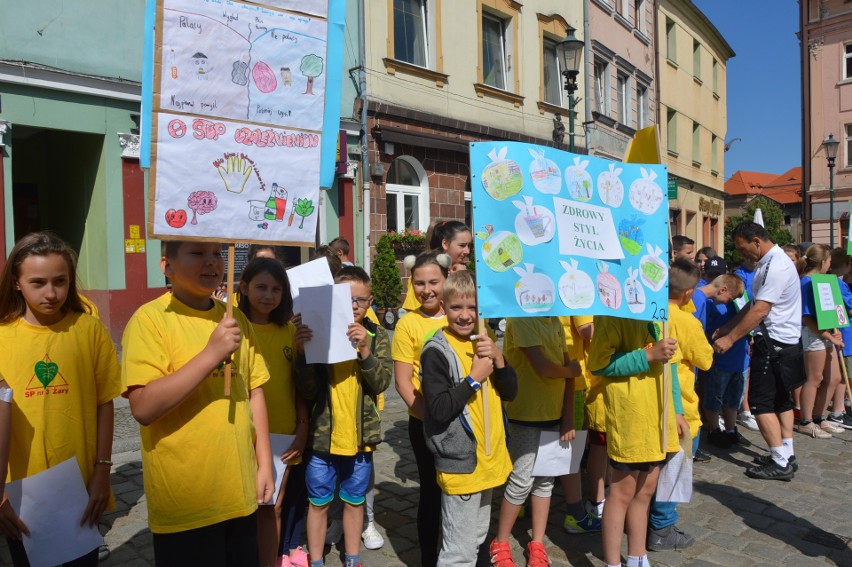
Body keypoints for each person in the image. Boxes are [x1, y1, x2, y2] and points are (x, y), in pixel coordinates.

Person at [122, 241, 274, 565]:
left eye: (217, 254)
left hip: (239, 492)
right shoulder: (150, 320)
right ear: (167, 266)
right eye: (197, 253)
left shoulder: (236, 320)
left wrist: (264, 464)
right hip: (185, 502)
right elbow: (143, 407)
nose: (211, 263)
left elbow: (255, 392)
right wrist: (211, 355)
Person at [0, 232, 121, 567]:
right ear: (16, 283)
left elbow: (105, 402)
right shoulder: (2, 336)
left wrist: (102, 471)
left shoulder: (89, 330)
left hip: (79, 487)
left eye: (60, 281)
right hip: (21, 492)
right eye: (38, 282)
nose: (51, 293)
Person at [294, 266, 392, 567]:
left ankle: (352, 558)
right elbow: (307, 390)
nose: (352, 306)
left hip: (359, 441)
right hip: (322, 441)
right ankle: (316, 560)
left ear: (370, 301)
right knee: (318, 503)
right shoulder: (317, 334)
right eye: (345, 299)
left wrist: (364, 350)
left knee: (354, 501)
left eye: (360, 300)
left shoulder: (376, 336)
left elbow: (381, 383)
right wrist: (303, 355)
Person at [421, 270, 517, 566]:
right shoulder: (436, 351)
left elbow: (511, 392)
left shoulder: (484, 340)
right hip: (462, 464)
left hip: (489, 461)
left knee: (475, 538)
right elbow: (438, 409)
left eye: (472, 307)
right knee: (458, 552)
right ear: (443, 306)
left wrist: (499, 361)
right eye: (456, 308)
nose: (464, 316)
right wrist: (473, 379)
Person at [588, 308, 680, 567]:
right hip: (632, 419)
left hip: (659, 418)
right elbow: (599, 363)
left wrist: (678, 411)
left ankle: (638, 558)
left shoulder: (658, 312)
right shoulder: (610, 314)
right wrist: (648, 354)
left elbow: (670, 367)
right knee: (622, 492)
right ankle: (612, 562)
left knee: (646, 490)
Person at [713, 222, 803, 481]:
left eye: (743, 249)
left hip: (774, 343)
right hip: (782, 342)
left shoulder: (775, 266)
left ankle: (779, 461)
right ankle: (786, 453)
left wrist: (730, 339)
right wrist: (727, 327)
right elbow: (752, 305)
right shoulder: (768, 263)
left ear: (756, 240)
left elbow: (760, 310)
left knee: (762, 404)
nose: (742, 255)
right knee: (780, 401)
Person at [238, 258, 310, 567]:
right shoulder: (234, 329)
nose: (268, 296)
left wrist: (303, 428)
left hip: (283, 433)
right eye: (261, 287)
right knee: (243, 508)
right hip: (242, 434)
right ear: (243, 287)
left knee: (273, 506)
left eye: (276, 289)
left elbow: (299, 386)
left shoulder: (288, 333)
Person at [490, 316, 579, 567]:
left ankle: (537, 542)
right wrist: (570, 371)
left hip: (553, 413)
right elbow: (543, 366)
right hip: (525, 415)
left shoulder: (555, 323)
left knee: (545, 482)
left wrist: (568, 417)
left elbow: (568, 369)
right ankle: (500, 541)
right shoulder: (521, 320)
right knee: (521, 480)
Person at [647, 259, 713, 552]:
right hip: (681, 406)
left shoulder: (649, 313)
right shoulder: (688, 322)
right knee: (676, 466)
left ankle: (649, 517)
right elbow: (706, 360)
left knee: (653, 464)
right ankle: (662, 526)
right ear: (689, 294)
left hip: (651, 401)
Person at [392, 252, 451, 567]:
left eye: (433, 282)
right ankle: (429, 557)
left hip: (463, 422)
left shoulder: (460, 314)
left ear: (446, 281)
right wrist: (430, 417)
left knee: (460, 494)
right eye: (419, 283)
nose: (426, 290)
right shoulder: (407, 324)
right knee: (431, 493)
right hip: (426, 423)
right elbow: (403, 382)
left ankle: (459, 553)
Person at [794, 244, 844, 438]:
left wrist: (836, 329)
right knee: (815, 378)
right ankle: (806, 421)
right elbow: (807, 317)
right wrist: (829, 336)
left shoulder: (824, 281)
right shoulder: (806, 282)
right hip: (813, 333)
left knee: (834, 378)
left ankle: (819, 417)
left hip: (827, 333)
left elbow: (831, 310)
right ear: (823, 262)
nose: (830, 264)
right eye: (829, 260)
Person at [558, 316, 602, 534]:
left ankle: (522, 503)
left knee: (555, 449)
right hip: (570, 377)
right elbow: (587, 329)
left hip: (562, 375)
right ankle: (575, 514)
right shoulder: (576, 283)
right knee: (569, 451)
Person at [698, 274, 749, 450]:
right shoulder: (706, 301)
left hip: (737, 357)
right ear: (723, 289)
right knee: (715, 395)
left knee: (733, 397)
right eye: (730, 298)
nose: (730, 301)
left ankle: (730, 429)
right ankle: (714, 430)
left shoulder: (735, 302)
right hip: (719, 359)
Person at [401, 221, 472, 312]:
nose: (467, 251)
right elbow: (411, 311)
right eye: (462, 245)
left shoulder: (462, 272)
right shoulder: (423, 274)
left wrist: (461, 279)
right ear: (445, 244)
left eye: (469, 246)